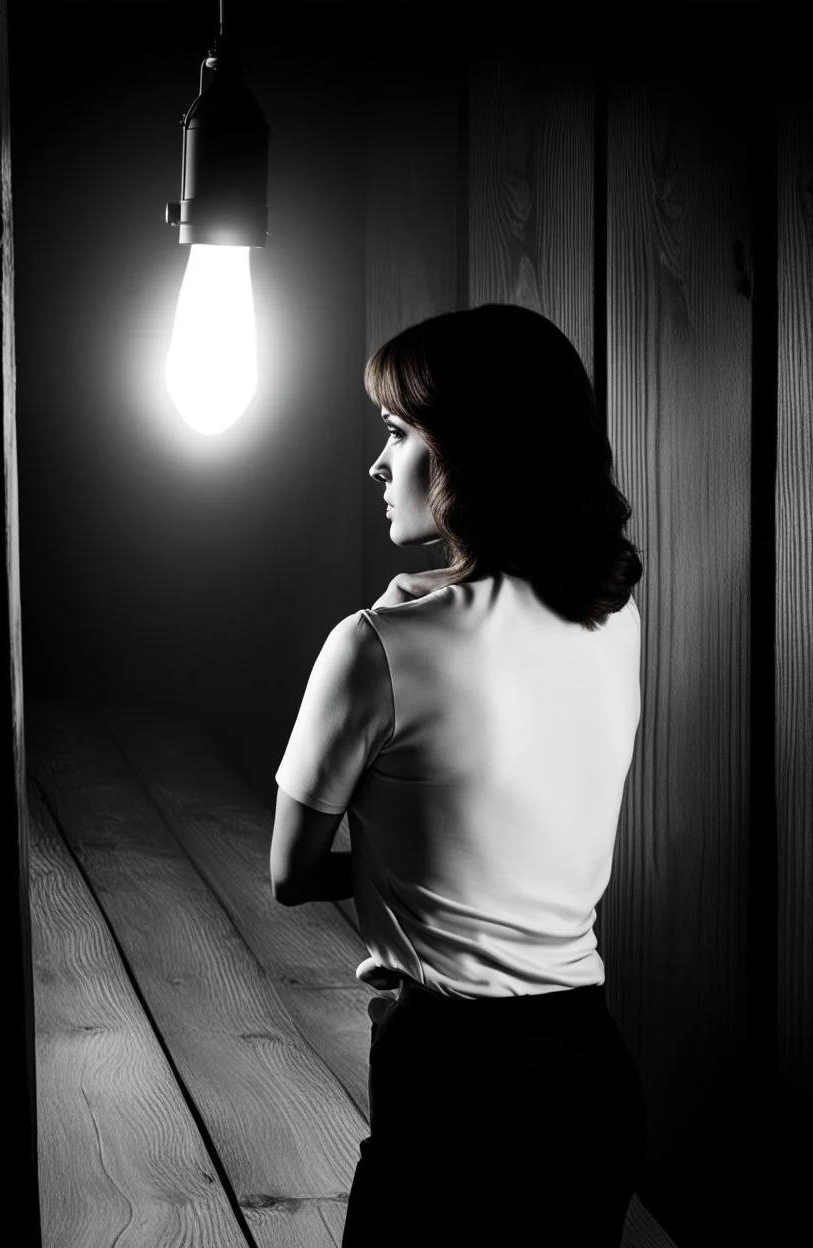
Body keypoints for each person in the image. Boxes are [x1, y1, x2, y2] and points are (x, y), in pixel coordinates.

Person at [270, 303, 647, 1246]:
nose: (377, 463)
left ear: (471, 457)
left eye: (398, 434)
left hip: (453, 1081)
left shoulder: (374, 646)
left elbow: (286, 874)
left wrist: (400, 891)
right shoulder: (612, 621)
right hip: (592, 1072)